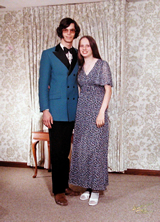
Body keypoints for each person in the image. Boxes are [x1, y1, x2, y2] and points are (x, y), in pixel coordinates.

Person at [39, 17, 80, 206]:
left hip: (73, 109)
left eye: (72, 30)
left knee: (66, 151)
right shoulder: (48, 54)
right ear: (61, 32)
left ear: (75, 32)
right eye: (66, 30)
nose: (69, 33)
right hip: (55, 111)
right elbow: (42, 84)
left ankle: (64, 185)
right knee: (57, 151)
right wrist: (45, 110)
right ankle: (58, 191)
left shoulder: (80, 54)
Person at [69, 36, 113, 206]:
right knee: (84, 150)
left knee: (96, 151)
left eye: (87, 45)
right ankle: (87, 187)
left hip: (97, 112)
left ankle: (96, 189)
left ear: (93, 47)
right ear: (79, 49)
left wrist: (102, 112)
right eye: (81, 46)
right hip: (82, 113)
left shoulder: (102, 65)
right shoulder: (79, 68)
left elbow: (108, 90)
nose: (84, 48)